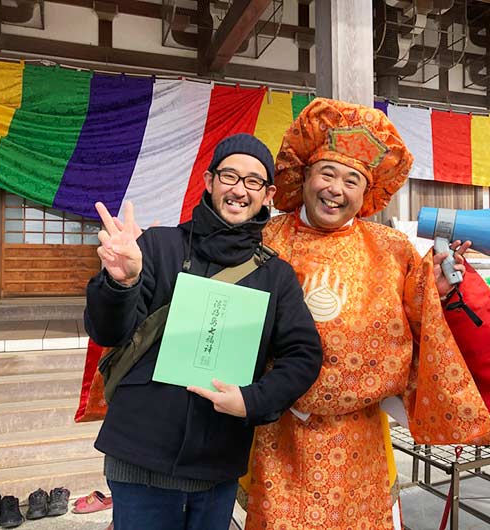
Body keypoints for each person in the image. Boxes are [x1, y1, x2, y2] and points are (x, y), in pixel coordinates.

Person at [243, 98, 490, 530]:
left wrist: (435, 293)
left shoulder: (392, 249)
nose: (336, 189)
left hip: (359, 432)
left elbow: (420, 319)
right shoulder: (264, 239)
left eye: (352, 180)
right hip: (280, 432)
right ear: (304, 176)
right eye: (326, 173)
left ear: (367, 194)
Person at [84, 133, 323, 530]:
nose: (239, 190)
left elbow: (304, 354)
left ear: (268, 196)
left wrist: (252, 399)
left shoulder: (275, 275)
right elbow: (108, 330)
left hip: (217, 462)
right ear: (210, 182)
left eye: (253, 182)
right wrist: (121, 283)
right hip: (140, 453)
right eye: (230, 176)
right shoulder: (159, 246)